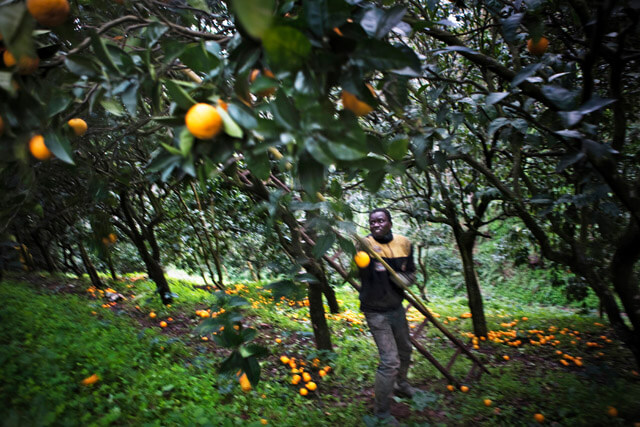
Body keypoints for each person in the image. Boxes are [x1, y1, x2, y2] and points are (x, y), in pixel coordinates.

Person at [357, 208, 417, 422]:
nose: (376, 225)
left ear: (390, 223)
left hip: (396, 308)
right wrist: (366, 255)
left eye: (380, 221)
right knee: (390, 361)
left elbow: (411, 272)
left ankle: (402, 385)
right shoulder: (364, 244)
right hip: (375, 311)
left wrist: (404, 279)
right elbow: (359, 269)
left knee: (405, 350)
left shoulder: (404, 243)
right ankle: (381, 413)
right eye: (372, 222)